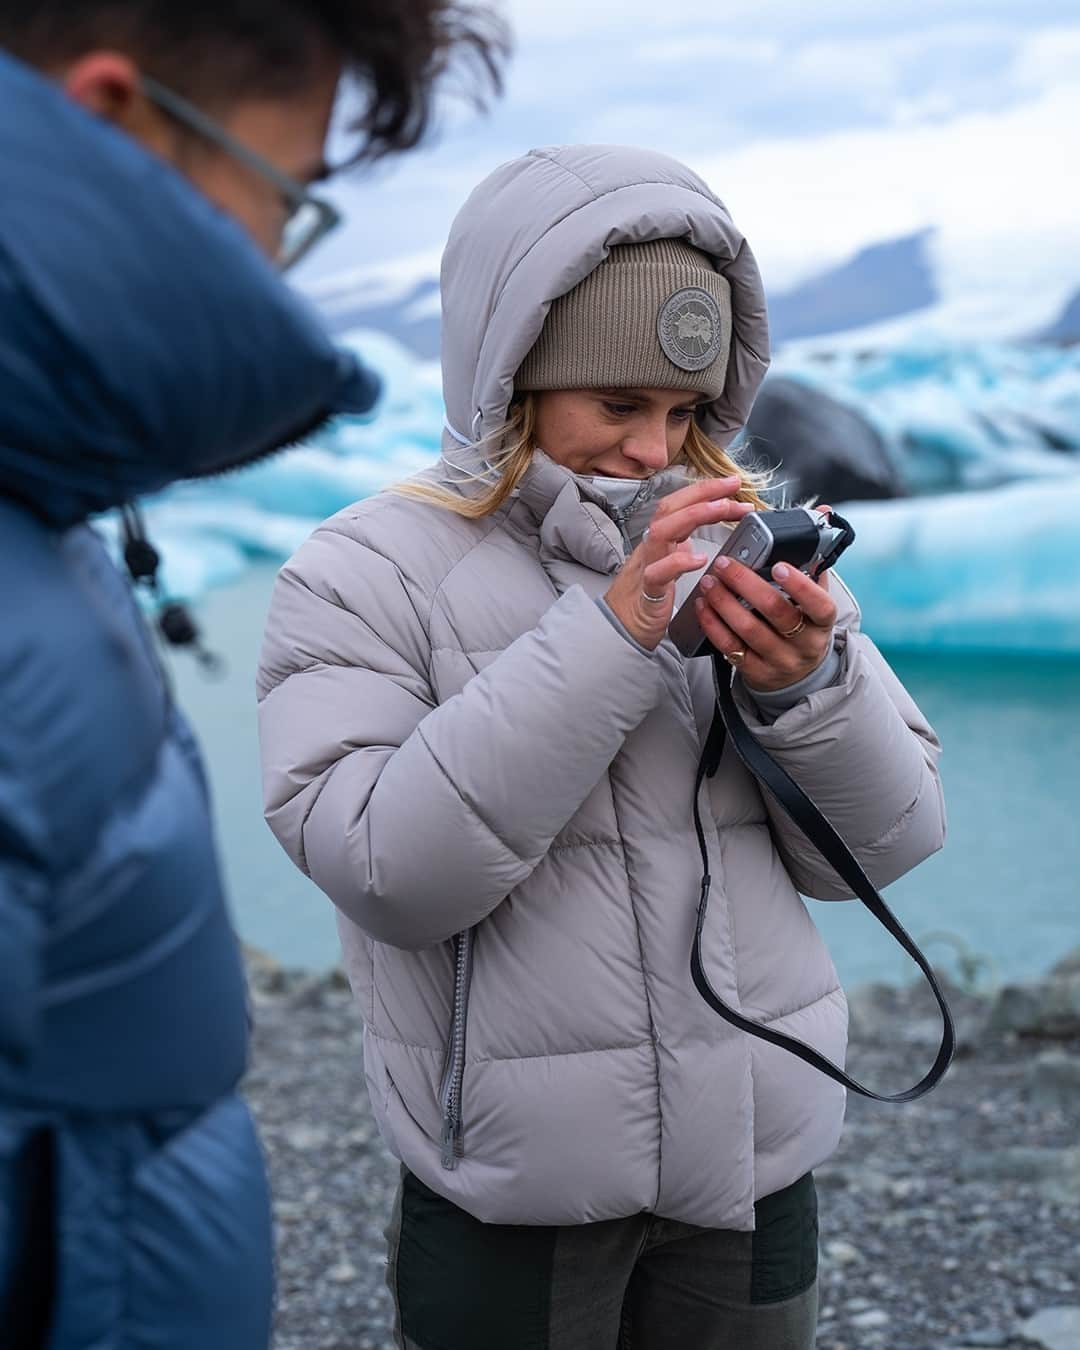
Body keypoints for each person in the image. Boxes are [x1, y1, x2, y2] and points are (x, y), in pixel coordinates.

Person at [257, 145, 946, 1350]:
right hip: (519, 1182)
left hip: (753, 1154)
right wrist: (613, 635)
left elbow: (883, 849)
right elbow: (387, 873)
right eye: (617, 404)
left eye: (684, 412)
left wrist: (808, 686)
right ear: (511, 375)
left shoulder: (728, 537)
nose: (653, 449)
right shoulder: (362, 572)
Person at [0, 5, 503, 1347]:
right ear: (111, 122)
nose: (282, 261)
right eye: (287, 193)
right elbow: (386, 850)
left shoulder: (41, 524)